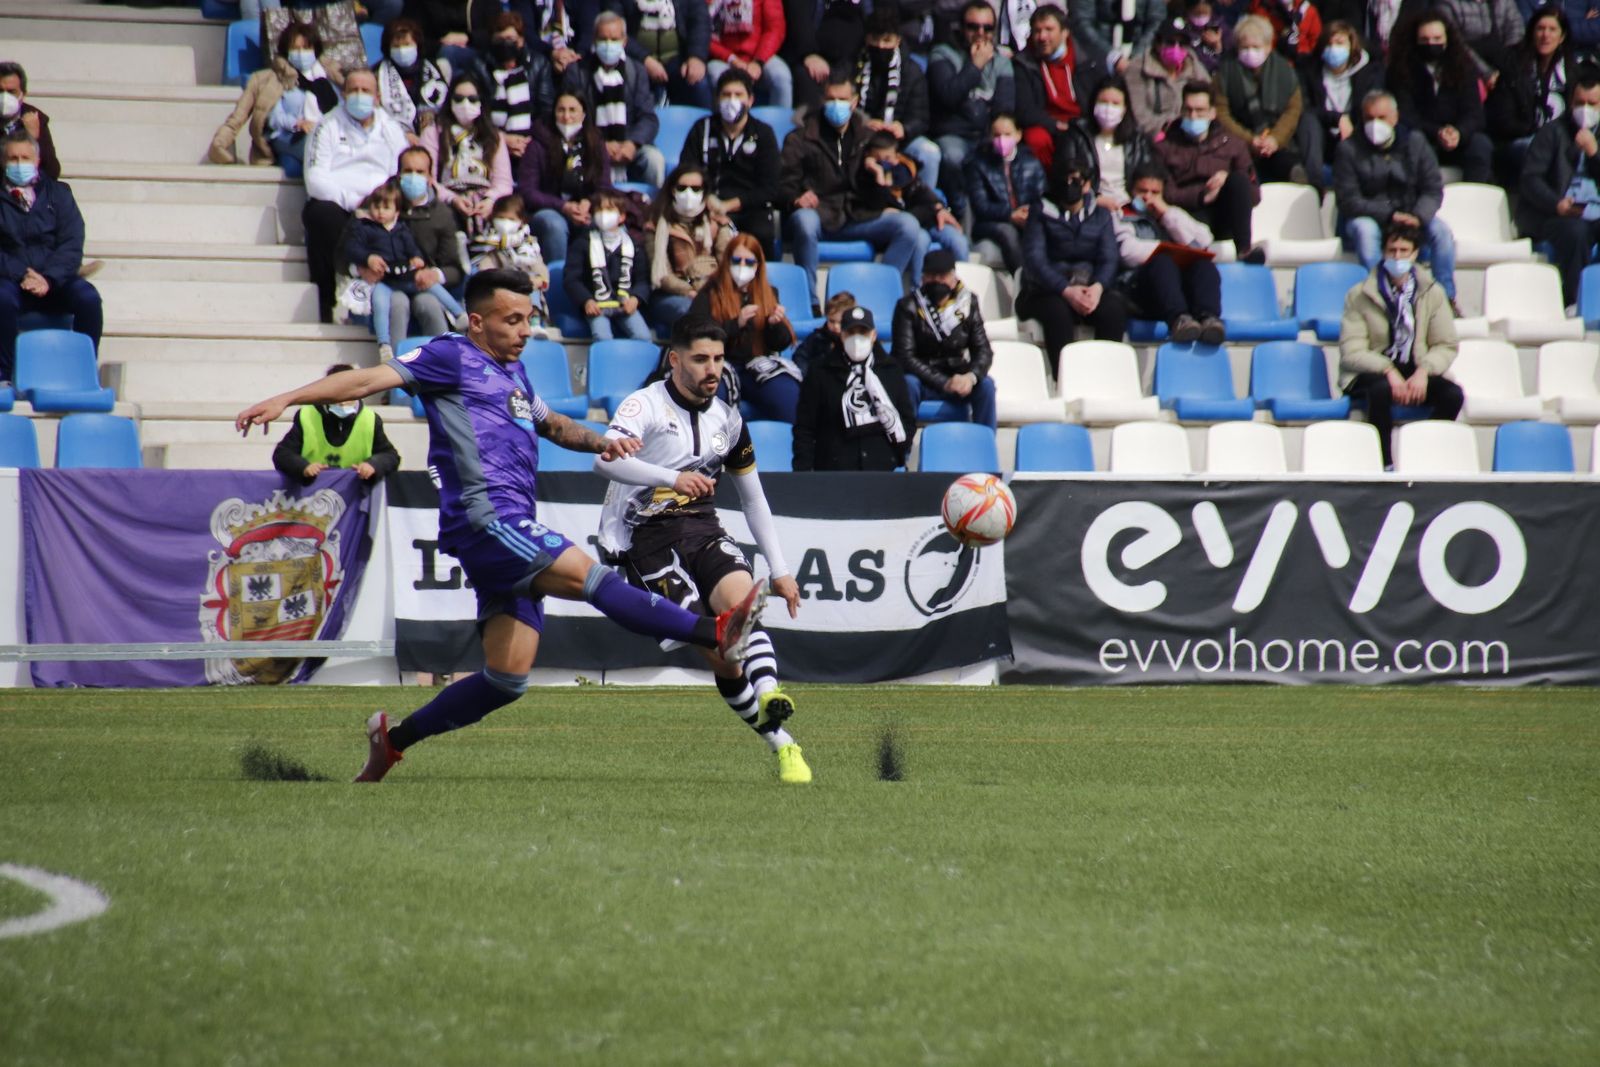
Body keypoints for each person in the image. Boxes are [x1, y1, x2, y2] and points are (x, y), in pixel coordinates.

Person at [234, 269, 770, 783]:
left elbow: (552, 423)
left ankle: (393, 741)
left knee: (507, 678)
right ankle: (713, 630)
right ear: (475, 321)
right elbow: (369, 379)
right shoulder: (449, 355)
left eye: (527, 319)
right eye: (511, 320)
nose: (523, 331)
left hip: (510, 525)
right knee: (591, 579)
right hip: (485, 517)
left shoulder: (514, 371)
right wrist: (287, 398)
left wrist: (602, 441)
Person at [593, 315, 811, 784]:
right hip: (643, 541)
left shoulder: (729, 421)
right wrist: (672, 478)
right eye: (700, 359)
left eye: (718, 358)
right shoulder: (643, 405)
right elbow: (604, 461)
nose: (712, 368)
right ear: (674, 360)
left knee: (741, 607)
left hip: (701, 527)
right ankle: (781, 743)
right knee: (721, 653)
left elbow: (753, 499)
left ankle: (772, 692)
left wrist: (782, 569)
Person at [779, 71, 925, 302]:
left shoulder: (868, 138)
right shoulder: (799, 138)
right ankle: (810, 301)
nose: (837, 105)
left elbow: (899, 176)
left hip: (857, 214)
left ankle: (879, 295)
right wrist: (797, 197)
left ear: (855, 102)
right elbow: (782, 182)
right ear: (822, 101)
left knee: (907, 226)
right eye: (831, 99)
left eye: (843, 99)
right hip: (818, 214)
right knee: (804, 222)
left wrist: (879, 184)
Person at [1339, 221, 1463, 469]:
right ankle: (1383, 463)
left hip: (1415, 366)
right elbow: (1352, 352)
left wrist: (1424, 371)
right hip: (1371, 370)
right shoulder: (1359, 294)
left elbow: (1446, 344)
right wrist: (1388, 369)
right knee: (1381, 390)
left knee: (1452, 395)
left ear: (1415, 253)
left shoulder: (1432, 293)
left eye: (1403, 250)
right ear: (1383, 252)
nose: (1397, 256)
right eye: (1392, 250)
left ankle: (1425, 458)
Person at [303, 68, 410, 322]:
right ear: (343, 93)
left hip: (384, 203)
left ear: (377, 96)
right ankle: (331, 297)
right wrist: (354, 202)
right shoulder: (326, 125)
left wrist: (380, 201)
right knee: (318, 213)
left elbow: (402, 169)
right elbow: (315, 178)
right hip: (342, 204)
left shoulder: (391, 129)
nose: (360, 96)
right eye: (354, 90)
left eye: (366, 91)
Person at [1334, 89, 1457, 306]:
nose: (1374, 124)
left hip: (1411, 215)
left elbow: (1432, 188)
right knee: (1365, 231)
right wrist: (1390, 214)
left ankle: (1445, 299)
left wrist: (1418, 216)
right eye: (1369, 118)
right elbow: (1349, 200)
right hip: (1368, 216)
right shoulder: (1349, 149)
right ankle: (1381, 298)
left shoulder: (1415, 143)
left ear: (1395, 117)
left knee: (1442, 233)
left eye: (1381, 118)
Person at [0, 132, 102, 385]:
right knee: (1, 300)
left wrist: (49, 278)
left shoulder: (59, 194)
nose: (19, 163)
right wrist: (22, 273)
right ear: (3, 162)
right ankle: (4, 375)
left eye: (25, 157)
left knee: (88, 299)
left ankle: (83, 372)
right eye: (13, 158)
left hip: (54, 279)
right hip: (11, 279)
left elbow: (72, 242)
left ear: (37, 160)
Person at [1017, 152, 1128, 370]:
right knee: (1057, 312)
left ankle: (1105, 377)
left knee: (1113, 309)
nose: (1070, 185)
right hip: (1046, 291)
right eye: (1064, 180)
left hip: (1088, 287)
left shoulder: (1101, 215)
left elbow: (1109, 258)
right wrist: (1066, 290)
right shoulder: (1039, 212)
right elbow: (1035, 260)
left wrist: (1096, 288)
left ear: (1087, 185)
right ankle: (1064, 380)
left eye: (1076, 181)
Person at [340, 180, 470, 360]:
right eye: (376, 207)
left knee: (433, 291)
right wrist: (366, 260)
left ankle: (459, 316)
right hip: (384, 280)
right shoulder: (363, 226)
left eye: (386, 207)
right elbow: (350, 249)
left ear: (396, 210)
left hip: (406, 277)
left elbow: (413, 248)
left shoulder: (401, 228)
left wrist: (417, 258)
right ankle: (385, 346)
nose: (380, 212)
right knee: (381, 303)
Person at [686, 234, 800, 420]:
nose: (742, 267)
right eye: (737, 260)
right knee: (710, 399)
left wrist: (775, 325)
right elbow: (695, 336)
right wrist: (735, 324)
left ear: (758, 266)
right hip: (718, 363)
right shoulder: (710, 292)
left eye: (749, 262)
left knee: (789, 396)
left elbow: (780, 343)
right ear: (727, 261)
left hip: (755, 366)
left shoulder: (769, 292)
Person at [793, 304, 915, 470]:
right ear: (842, 335)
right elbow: (805, 428)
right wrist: (804, 474)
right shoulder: (820, 371)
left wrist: (894, 455)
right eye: (851, 332)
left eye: (863, 332)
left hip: (882, 471)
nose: (857, 338)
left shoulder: (890, 370)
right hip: (833, 473)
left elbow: (906, 419)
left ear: (874, 335)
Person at [1114, 163, 1225, 343]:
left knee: (1204, 265)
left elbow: (1204, 241)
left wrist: (1167, 215)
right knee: (1162, 262)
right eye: (1142, 191)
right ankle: (1179, 320)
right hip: (1140, 289)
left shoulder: (1171, 213)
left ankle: (1209, 318)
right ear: (1131, 190)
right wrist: (1168, 250)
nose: (1148, 197)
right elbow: (1127, 251)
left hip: (1175, 290)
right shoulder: (1121, 215)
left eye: (1155, 192)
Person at [210, 25, 343, 175]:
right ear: (286, 51)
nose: (301, 53)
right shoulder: (271, 79)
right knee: (318, 146)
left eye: (306, 48)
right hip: (287, 135)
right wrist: (297, 123)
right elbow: (272, 118)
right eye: (295, 48)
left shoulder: (329, 76)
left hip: (326, 134)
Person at [1517, 68, 1600, 308]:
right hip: (1556, 213)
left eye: (1592, 104)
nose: (1585, 109)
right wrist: (1557, 203)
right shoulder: (1552, 132)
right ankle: (1574, 302)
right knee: (1576, 233)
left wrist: (1594, 154)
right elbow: (1531, 179)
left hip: (1595, 211)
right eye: (1579, 103)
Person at [678, 67, 784, 256]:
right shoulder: (702, 129)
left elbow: (771, 188)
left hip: (750, 209)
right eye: (726, 95)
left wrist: (728, 206)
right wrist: (708, 200)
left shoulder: (763, 133)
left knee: (762, 232)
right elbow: (686, 170)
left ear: (750, 100)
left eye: (738, 94)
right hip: (706, 205)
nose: (732, 100)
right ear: (717, 99)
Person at [1156, 80, 1262, 262]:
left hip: (1223, 216)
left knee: (1238, 179)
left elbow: (1254, 194)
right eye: (1188, 110)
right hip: (1187, 215)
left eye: (1200, 111)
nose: (1193, 116)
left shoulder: (1233, 144)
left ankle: (1244, 251)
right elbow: (1165, 193)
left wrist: (1226, 181)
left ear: (1212, 112)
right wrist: (1202, 195)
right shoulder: (1164, 147)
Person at [927, 2, 1014, 218]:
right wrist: (975, 66)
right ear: (961, 28)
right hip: (954, 135)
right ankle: (960, 210)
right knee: (952, 156)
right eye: (973, 27)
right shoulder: (942, 54)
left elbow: (1005, 108)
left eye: (987, 28)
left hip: (985, 137)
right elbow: (948, 96)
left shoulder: (1002, 63)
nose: (980, 33)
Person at [561, 11, 666, 188]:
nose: (609, 45)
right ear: (594, 40)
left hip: (629, 145)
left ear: (624, 41)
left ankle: (653, 210)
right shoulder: (577, 72)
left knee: (654, 160)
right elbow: (570, 117)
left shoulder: (637, 71)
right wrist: (598, 144)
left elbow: (648, 117)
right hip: (589, 146)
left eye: (614, 39)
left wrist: (632, 144)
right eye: (603, 39)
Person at [894, 246, 997, 427]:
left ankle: (985, 444)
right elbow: (905, 357)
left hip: (959, 376)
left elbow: (983, 349)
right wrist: (944, 382)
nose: (937, 282)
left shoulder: (968, 303)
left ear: (953, 277)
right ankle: (902, 448)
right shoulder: (908, 306)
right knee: (907, 384)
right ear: (923, 278)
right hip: (924, 379)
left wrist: (970, 377)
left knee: (986, 385)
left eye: (942, 277)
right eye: (932, 277)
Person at [1387, 11, 1493, 183]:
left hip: (1458, 139)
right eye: (1425, 39)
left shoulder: (1463, 68)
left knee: (1481, 145)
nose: (1431, 44)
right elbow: (1405, 115)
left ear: (1447, 39)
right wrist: (1437, 132)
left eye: (1437, 39)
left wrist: (1458, 132)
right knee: (1414, 142)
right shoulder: (1401, 71)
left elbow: (1475, 114)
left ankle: (1473, 200)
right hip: (1424, 137)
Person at [852, 130, 969, 281]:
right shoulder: (863, 178)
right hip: (905, 230)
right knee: (921, 240)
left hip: (925, 220)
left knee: (957, 240)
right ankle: (918, 290)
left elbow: (926, 197)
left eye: (887, 158)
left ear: (896, 156)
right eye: (877, 159)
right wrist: (879, 178)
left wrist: (938, 208)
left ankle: (963, 292)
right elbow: (879, 208)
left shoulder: (904, 172)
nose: (883, 162)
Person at [516, 91, 616, 265]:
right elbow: (528, 191)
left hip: (584, 210)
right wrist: (563, 207)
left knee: (601, 222)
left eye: (572, 110)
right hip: (548, 210)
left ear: (583, 114)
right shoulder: (537, 144)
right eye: (561, 110)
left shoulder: (595, 143)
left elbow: (604, 187)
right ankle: (556, 277)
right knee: (554, 224)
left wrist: (589, 203)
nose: (566, 116)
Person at [853, 6, 941, 193]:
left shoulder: (912, 71)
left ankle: (923, 204)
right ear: (867, 39)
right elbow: (845, 104)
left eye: (887, 40)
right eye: (875, 40)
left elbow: (921, 117)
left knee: (929, 152)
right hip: (861, 136)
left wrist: (904, 128)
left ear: (897, 40)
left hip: (899, 140)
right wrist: (864, 122)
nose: (881, 46)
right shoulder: (854, 65)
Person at [1214, 15, 1311, 183]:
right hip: (1240, 139)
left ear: (1267, 46)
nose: (1250, 51)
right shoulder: (1225, 72)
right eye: (1245, 47)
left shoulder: (1285, 71)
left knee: (1287, 163)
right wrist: (1250, 140)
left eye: (1256, 47)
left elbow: (1293, 109)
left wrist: (1275, 139)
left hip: (1277, 142)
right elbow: (1221, 113)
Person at [419, 73, 514, 241]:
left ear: (481, 102)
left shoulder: (494, 136)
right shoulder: (432, 133)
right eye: (458, 99)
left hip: (486, 199)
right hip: (448, 198)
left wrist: (490, 200)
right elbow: (428, 179)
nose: (465, 104)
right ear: (450, 101)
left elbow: (504, 182)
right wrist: (452, 199)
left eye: (472, 99)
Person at [272, 364, 402, 483]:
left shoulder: (370, 419)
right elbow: (282, 454)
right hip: (313, 495)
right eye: (337, 394)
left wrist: (373, 465)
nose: (343, 401)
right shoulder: (306, 416)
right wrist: (304, 467)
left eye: (348, 394)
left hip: (354, 495)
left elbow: (390, 456)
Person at [1486, 5, 1572, 179]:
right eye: (1540, 28)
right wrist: (1540, 134)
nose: (1545, 35)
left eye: (1552, 29)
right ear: (1532, 32)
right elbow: (1503, 119)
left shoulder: (1572, 71)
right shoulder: (1513, 66)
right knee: (1541, 150)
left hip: (1561, 141)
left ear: (1562, 36)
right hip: (1519, 140)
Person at [649, 162, 735, 328]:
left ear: (704, 193)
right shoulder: (655, 224)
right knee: (693, 310)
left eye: (695, 189)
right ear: (672, 190)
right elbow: (663, 276)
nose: (688, 193)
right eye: (682, 188)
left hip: (711, 288)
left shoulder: (717, 223)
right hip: (671, 294)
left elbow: (726, 263)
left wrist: (711, 292)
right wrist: (690, 291)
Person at [1014, 4, 1095, 176]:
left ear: (1065, 32)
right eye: (1037, 31)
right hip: (1048, 123)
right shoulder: (1024, 63)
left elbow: (1094, 97)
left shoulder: (1086, 58)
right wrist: (1056, 125)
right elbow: (1025, 109)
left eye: (1049, 29)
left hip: (1080, 122)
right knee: (1035, 138)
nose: (1042, 37)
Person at [397, 145, 469, 337]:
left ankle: (444, 362)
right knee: (397, 303)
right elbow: (350, 245)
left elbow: (455, 269)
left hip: (426, 288)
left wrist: (435, 274)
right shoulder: (381, 204)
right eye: (408, 171)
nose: (413, 176)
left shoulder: (443, 215)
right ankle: (391, 364)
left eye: (420, 172)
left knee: (427, 304)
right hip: (389, 286)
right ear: (398, 174)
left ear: (430, 177)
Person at [1300, 21, 1386, 181]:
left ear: (1351, 45)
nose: (1333, 48)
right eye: (1329, 44)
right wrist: (1337, 118)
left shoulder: (1370, 73)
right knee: (1308, 121)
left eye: (1339, 43)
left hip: (1356, 137)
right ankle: (1315, 185)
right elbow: (1306, 109)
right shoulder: (1311, 71)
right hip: (1324, 138)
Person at [965, 111, 1047, 271]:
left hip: (1026, 218)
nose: (1002, 139)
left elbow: (1042, 197)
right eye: (997, 135)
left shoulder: (1032, 163)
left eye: (1007, 134)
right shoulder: (978, 164)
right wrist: (1010, 214)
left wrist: (1029, 212)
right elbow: (981, 206)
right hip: (992, 222)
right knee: (1008, 232)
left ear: (1018, 135)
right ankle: (1022, 283)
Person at [565, 189, 652, 339]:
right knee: (602, 336)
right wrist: (586, 300)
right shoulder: (582, 243)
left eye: (609, 209)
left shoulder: (634, 245)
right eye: (599, 210)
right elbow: (572, 279)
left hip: (625, 304)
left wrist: (636, 299)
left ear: (622, 216)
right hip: (596, 305)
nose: (604, 214)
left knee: (643, 337)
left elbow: (643, 280)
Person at [1065, 76, 1159, 211]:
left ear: (1125, 108)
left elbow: (1147, 177)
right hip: (1090, 206)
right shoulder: (1077, 135)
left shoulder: (1137, 140)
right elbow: (1067, 176)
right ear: (1094, 104)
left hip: (1128, 206)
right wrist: (1093, 199)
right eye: (1103, 102)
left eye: (1115, 103)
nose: (1109, 108)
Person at [610, 0, 715, 109]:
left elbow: (700, 22)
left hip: (679, 61)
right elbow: (614, 32)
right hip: (637, 62)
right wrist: (645, 59)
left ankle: (705, 125)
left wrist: (696, 57)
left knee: (700, 84)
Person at [482, 11, 559, 157]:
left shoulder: (539, 63)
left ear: (521, 40)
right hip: (492, 142)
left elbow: (545, 112)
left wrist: (525, 141)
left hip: (531, 141)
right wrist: (502, 139)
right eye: (500, 40)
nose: (505, 45)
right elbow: (479, 115)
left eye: (510, 39)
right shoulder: (480, 67)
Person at [470, 193, 551, 331]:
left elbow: (539, 266)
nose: (505, 223)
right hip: (502, 288)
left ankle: (534, 322)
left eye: (511, 219)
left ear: (521, 221)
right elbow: (485, 270)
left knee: (531, 288)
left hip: (526, 285)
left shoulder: (529, 245)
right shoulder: (489, 244)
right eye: (501, 218)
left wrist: (539, 279)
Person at [1125, 19, 1214, 136]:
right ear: (1158, 43)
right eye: (1171, 42)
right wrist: (1168, 130)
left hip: (1191, 136)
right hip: (1152, 137)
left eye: (1182, 44)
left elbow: (1211, 103)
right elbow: (1138, 113)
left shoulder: (1195, 68)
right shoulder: (1137, 69)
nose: (1176, 48)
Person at [707, 0, 793, 108]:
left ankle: (781, 124)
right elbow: (705, 34)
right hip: (724, 58)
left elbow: (774, 29)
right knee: (716, 76)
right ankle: (721, 122)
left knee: (781, 77)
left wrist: (758, 61)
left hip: (760, 56)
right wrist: (732, 59)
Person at [372, 17, 449, 135]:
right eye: (396, 46)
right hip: (391, 134)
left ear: (417, 44)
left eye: (407, 44)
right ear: (388, 48)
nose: (402, 50)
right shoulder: (377, 74)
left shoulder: (436, 68)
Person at [1069, 0, 1171, 73]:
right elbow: (1081, 22)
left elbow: (1157, 22)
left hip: (1140, 60)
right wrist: (1113, 57)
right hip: (1096, 59)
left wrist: (1136, 58)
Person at [0, 64, 59, 181]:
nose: (5, 97)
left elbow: (52, 171)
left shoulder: (36, 119)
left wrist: (34, 140)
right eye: (0, 91)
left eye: (11, 92)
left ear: (23, 94)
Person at [792, 289, 857, 377]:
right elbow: (800, 356)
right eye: (832, 321)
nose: (836, 326)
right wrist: (808, 376)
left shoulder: (855, 341)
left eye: (841, 322)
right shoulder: (817, 337)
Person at [1247, 0, 1323, 58]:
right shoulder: (1261, 7)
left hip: (1297, 63)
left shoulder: (1308, 11)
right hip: (1268, 58)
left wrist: (1298, 51)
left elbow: (1314, 40)